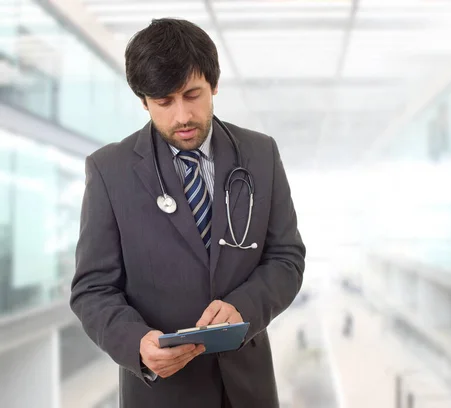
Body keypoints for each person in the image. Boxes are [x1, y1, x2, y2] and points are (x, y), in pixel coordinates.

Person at [70, 18, 306, 408]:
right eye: (164, 102)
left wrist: (243, 308)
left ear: (214, 85)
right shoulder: (109, 170)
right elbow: (92, 289)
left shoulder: (261, 154)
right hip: (163, 393)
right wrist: (136, 343)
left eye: (192, 94)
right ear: (143, 101)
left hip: (248, 390)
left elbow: (286, 258)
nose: (182, 116)